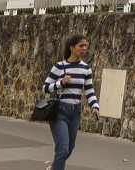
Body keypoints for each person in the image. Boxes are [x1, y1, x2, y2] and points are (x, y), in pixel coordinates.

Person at [42, 34, 100, 170]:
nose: (84, 48)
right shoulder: (59, 67)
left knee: (69, 148)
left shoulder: (85, 68)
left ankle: (53, 168)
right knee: (62, 148)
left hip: (76, 111)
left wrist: (95, 106)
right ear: (72, 48)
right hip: (60, 111)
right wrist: (60, 83)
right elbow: (45, 88)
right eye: (81, 46)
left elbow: (89, 90)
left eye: (85, 45)